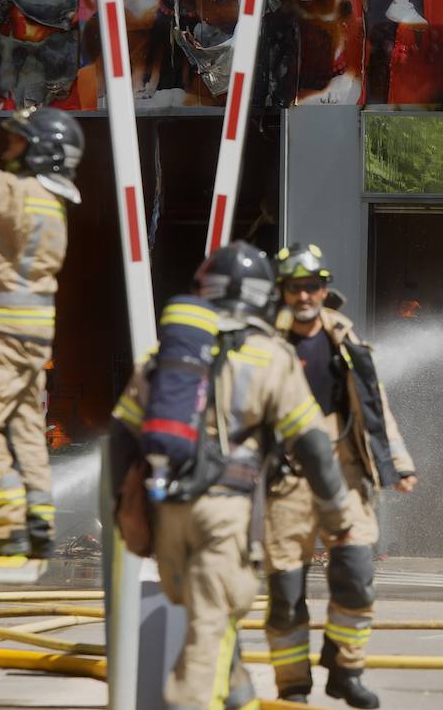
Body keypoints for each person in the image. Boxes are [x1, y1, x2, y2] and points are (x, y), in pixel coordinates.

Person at [113, 242, 357, 710]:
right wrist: (337, 512)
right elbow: (311, 443)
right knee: (210, 632)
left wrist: (121, 512)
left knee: (214, 626)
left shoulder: (167, 354)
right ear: (265, 295)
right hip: (221, 517)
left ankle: (240, 701)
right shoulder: (270, 356)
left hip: (166, 513)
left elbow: (122, 435)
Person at [264, 243, 417, 708]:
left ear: (324, 288)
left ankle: (345, 670)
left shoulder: (345, 342)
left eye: (312, 286)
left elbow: (374, 407)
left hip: (345, 475)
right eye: (295, 287)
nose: (305, 295)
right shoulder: (262, 345)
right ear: (283, 292)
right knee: (286, 595)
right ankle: (292, 686)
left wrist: (398, 464)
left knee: (355, 574)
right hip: (286, 481)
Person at [0, 105, 83, 559]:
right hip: (30, 339)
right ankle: (38, 520)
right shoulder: (44, 200)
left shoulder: (19, 196)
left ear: (41, 153)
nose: (10, 148)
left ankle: (5, 524)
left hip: (2, 336)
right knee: (25, 430)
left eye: (18, 142)